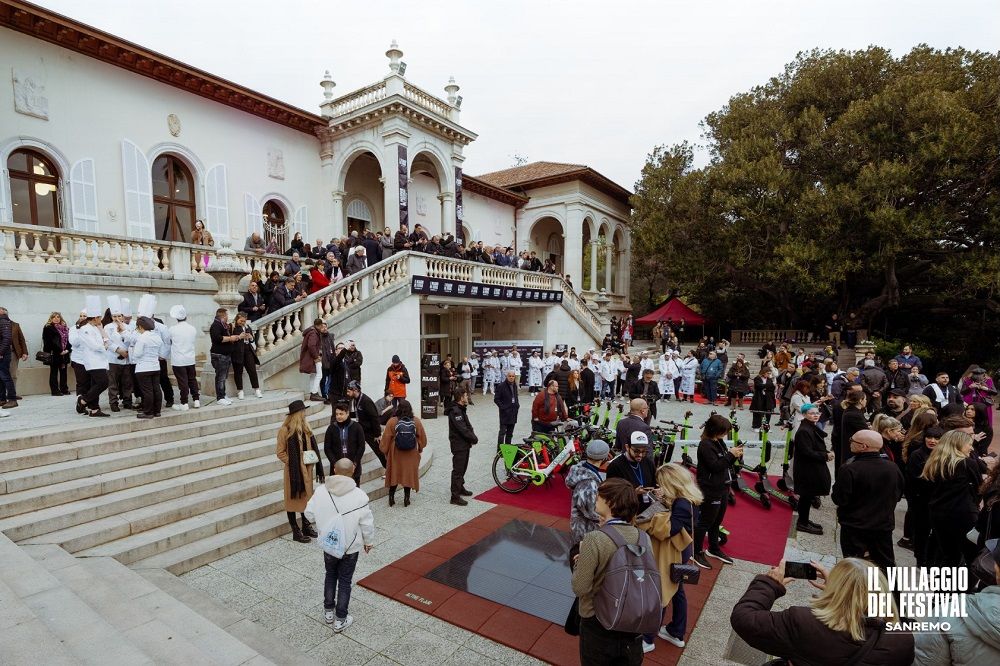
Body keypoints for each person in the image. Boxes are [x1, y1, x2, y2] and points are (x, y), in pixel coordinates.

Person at [731, 558, 914, 665]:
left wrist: (769, 584)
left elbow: (744, 618)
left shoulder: (804, 624)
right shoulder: (901, 640)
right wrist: (837, 594)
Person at [571, 478, 648, 665]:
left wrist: (578, 564)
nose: (595, 499)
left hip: (597, 621)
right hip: (632, 619)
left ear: (610, 503)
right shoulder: (643, 537)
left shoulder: (594, 539)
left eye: (599, 496)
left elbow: (580, 587)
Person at [305, 456, 371, 633]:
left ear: (334, 470)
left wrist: (323, 524)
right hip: (351, 547)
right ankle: (340, 619)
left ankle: (328, 611)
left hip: (330, 544)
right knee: (345, 581)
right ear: (353, 471)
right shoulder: (360, 496)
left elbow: (309, 513)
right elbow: (366, 523)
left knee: (330, 574)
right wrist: (368, 542)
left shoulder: (321, 491)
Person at [639, 463, 701, 650]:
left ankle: (648, 639)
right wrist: (666, 500)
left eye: (661, 484)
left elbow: (667, 530)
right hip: (682, 551)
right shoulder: (689, 498)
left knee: (663, 591)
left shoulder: (681, 503)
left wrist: (654, 513)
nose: (659, 487)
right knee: (677, 590)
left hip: (674, 553)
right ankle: (676, 632)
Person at [832, 429, 905, 571]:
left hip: (854, 527)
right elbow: (898, 494)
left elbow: (840, 498)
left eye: (852, 441)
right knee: (886, 564)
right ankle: (891, 592)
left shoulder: (850, 469)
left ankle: (854, 592)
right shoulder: (892, 467)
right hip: (882, 526)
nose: (850, 444)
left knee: (853, 566)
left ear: (863, 446)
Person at [922, 429, 988, 567]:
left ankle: (944, 588)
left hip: (938, 513)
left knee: (948, 554)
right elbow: (980, 489)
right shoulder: (967, 463)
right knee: (970, 556)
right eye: (969, 444)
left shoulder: (934, 462)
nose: (971, 448)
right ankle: (963, 588)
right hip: (963, 514)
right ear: (958, 445)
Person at [690, 414, 742, 569]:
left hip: (723, 486)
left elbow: (725, 464)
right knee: (705, 521)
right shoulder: (705, 445)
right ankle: (696, 550)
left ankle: (713, 548)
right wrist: (730, 455)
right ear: (714, 430)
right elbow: (715, 466)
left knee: (717, 521)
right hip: (710, 488)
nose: (725, 434)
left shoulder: (719, 442)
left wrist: (734, 456)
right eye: (723, 431)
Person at [277, 399, 323, 542]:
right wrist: (294, 463)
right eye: (303, 411)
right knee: (292, 500)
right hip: (294, 472)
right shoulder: (285, 430)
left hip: (307, 470)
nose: (305, 413)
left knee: (305, 499)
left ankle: (305, 525)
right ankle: (295, 530)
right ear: (297, 414)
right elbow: (280, 452)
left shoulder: (306, 428)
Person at [792, 404, 833, 535]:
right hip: (806, 469)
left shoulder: (810, 426)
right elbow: (807, 452)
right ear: (804, 414)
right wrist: (825, 455)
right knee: (806, 496)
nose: (815, 415)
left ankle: (804, 520)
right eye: (811, 413)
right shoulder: (804, 430)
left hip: (810, 467)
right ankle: (802, 523)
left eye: (817, 413)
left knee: (807, 496)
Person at [379, 399, 427, 507]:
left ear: (398, 409)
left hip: (395, 452)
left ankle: (391, 498)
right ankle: (406, 499)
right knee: (408, 475)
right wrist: (419, 448)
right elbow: (423, 439)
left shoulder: (392, 421)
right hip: (410, 453)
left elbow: (386, 439)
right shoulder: (416, 421)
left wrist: (385, 451)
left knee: (394, 474)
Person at [905, 425, 942, 567]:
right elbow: (913, 480)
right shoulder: (917, 455)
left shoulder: (941, 456)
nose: (932, 441)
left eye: (936, 438)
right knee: (921, 532)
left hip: (936, 502)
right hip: (921, 501)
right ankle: (921, 560)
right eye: (929, 437)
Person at [566, 440, 609, 544]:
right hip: (586, 531)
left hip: (583, 528)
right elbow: (590, 510)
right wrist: (608, 519)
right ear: (604, 457)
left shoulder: (583, 471)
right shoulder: (588, 482)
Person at [76, 297, 111, 417]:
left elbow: (107, 340)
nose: (101, 320)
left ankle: (94, 409)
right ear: (95, 318)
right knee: (103, 383)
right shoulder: (84, 329)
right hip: (93, 361)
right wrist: (104, 346)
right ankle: (83, 400)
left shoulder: (96, 328)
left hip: (101, 360)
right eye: (99, 318)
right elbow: (95, 346)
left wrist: (101, 330)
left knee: (95, 384)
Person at [345, 380, 386, 470]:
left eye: (349, 391)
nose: (347, 393)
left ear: (355, 390)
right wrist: (347, 414)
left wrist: (377, 434)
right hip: (362, 430)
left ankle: (389, 469)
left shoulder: (366, 401)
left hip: (371, 432)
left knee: (379, 452)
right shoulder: (356, 399)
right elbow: (358, 413)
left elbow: (374, 417)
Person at [447, 388, 478, 506]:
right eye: (465, 396)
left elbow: (467, 426)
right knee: (458, 470)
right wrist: (473, 438)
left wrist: (471, 437)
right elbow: (462, 429)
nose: (467, 397)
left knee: (463, 468)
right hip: (459, 445)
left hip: (464, 444)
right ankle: (454, 496)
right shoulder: (456, 412)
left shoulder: (461, 409)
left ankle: (460, 487)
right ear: (461, 398)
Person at [324, 401, 366, 487]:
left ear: (347, 413)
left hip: (353, 469)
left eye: (341, 414)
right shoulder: (331, 428)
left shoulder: (357, 427)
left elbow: (361, 447)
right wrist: (335, 464)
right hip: (337, 470)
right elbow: (327, 448)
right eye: (337, 414)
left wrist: (355, 463)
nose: (338, 416)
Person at [168, 305, 201, 409]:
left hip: (178, 360)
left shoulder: (172, 329)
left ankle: (184, 403)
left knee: (183, 382)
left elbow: (169, 341)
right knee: (192, 380)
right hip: (190, 358)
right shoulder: (192, 328)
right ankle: (196, 400)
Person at [103, 299, 133, 412]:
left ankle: (127, 401)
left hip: (126, 358)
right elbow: (107, 341)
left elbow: (131, 341)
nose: (117, 318)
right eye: (114, 316)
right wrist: (118, 350)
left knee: (127, 382)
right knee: (113, 383)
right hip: (113, 358)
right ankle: (113, 402)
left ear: (123, 316)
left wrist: (126, 352)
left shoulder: (128, 327)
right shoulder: (107, 327)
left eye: (119, 316)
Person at [131, 316, 162, 419]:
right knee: (156, 389)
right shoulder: (157, 336)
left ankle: (148, 412)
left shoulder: (142, 337)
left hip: (143, 367)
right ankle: (157, 411)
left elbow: (137, 354)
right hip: (155, 366)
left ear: (140, 327)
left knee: (147, 391)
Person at [209, 308, 239, 406]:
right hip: (219, 355)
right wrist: (230, 338)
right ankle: (220, 397)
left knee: (223, 377)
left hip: (225, 355)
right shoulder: (216, 325)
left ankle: (223, 395)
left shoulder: (223, 325)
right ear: (222, 316)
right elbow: (217, 338)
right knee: (220, 377)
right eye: (226, 315)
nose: (227, 317)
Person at [229, 312, 261, 400]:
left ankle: (257, 389)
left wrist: (250, 337)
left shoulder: (247, 327)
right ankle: (240, 391)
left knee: (252, 370)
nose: (242, 322)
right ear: (237, 319)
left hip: (248, 351)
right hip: (237, 352)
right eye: (241, 321)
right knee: (238, 372)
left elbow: (252, 340)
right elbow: (229, 339)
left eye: (244, 321)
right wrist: (239, 337)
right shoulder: (232, 326)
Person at [41, 311, 71, 396]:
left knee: (64, 372)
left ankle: (64, 389)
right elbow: (48, 342)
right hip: (54, 354)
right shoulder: (48, 328)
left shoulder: (65, 327)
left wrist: (67, 350)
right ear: (51, 318)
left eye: (58, 317)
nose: (56, 319)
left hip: (65, 353)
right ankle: (55, 391)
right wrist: (59, 351)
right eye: (54, 317)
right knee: (54, 372)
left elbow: (69, 340)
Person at [839, 389, 870, 468]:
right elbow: (866, 431)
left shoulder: (853, 411)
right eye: (865, 399)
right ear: (860, 400)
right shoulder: (853, 414)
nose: (866, 401)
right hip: (853, 449)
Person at [300, 318, 326, 402]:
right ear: (318, 325)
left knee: (313, 375)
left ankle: (312, 392)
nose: (323, 327)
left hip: (312, 357)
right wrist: (316, 357)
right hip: (314, 358)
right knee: (319, 374)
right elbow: (311, 346)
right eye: (322, 325)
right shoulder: (314, 333)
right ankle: (314, 393)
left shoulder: (312, 331)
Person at [494, 369, 520, 448]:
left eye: (513, 376)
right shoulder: (501, 386)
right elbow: (496, 399)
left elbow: (515, 396)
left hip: (513, 412)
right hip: (505, 413)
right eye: (510, 376)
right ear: (506, 376)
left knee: (510, 433)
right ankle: (500, 449)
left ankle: (508, 448)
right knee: (502, 432)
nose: (511, 378)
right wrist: (503, 407)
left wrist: (517, 405)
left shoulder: (515, 385)